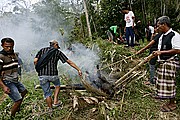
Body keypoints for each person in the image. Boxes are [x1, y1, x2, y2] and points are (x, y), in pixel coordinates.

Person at [34, 40, 82, 112]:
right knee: (57, 85)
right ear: (55, 45)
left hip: (42, 75)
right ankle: (55, 101)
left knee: (47, 93)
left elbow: (35, 60)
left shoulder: (42, 50)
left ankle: (50, 109)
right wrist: (78, 69)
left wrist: (38, 69)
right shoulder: (57, 52)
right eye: (57, 45)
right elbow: (69, 62)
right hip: (53, 75)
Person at [152, 16, 180, 112]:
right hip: (163, 62)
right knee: (162, 81)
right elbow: (161, 49)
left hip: (171, 62)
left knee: (170, 82)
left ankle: (172, 103)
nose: (157, 27)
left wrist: (161, 53)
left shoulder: (174, 35)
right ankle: (165, 97)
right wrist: (156, 53)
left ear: (164, 24)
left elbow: (177, 50)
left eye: (158, 25)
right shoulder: (162, 36)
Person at [0, 38, 28, 117]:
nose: (9, 48)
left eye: (11, 46)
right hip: (7, 81)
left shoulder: (14, 55)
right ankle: (12, 116)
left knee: (24, 91)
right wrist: (4, 86)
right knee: (18, 100)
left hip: (15, 80)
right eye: (7, 46)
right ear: (2, 46)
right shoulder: (1, 57)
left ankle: (17, 107)